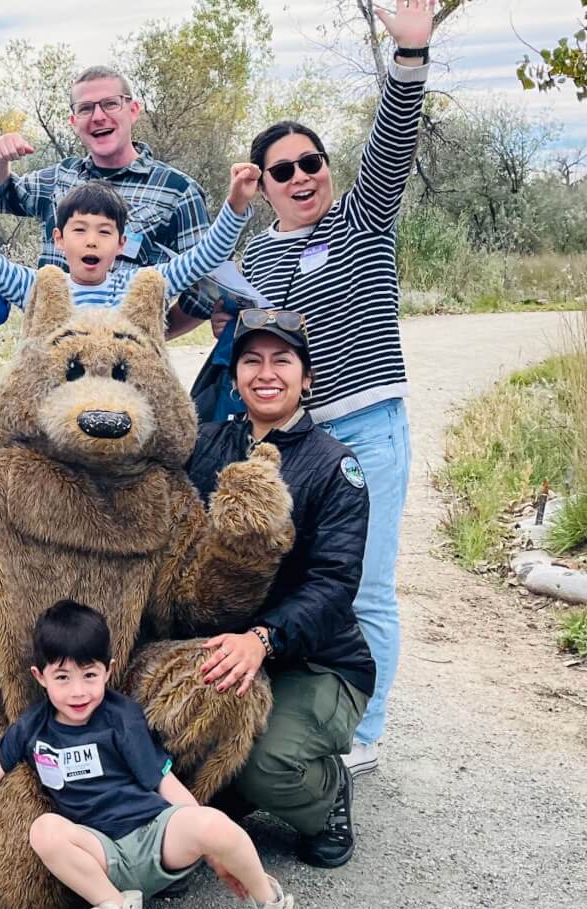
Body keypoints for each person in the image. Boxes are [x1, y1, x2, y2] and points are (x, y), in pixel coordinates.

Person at [223, 0, 434, 776]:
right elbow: (205, 316)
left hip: (369, 428)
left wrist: (409, 53)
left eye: (311, 162)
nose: (301, 176)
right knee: (297, 581)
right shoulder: (258, 261)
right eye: (284, 170)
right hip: (290, 446)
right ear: (266, 184)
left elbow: (393, 144)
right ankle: (297, 707)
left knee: (366, 586)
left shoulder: (362, 219)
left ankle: (364, 733)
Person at [0, 601, 294, 909]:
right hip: (99, 853)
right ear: (39, 677)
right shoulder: (31, 728)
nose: (78, 691)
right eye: (62, 677)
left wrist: (212, 849)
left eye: (89, 675)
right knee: (44, 830)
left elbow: (164, 783)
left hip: (154, 837)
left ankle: (269, 903)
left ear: (108, 670)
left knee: (215, 825)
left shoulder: (121, 716)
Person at [185, 310, 374, 869]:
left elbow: (334, 584)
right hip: (222, 651)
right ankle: (229, 793)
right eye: (251, 361)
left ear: (307, 376)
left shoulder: (334, 467)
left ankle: (326, 794)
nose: (266, 373)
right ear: (236, 376)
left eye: (282, 361)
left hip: (315, 662)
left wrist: (262, 638)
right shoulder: (206, 444)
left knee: (265, 767)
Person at [0, 65, 216, 338]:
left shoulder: (177, 190)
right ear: (74, 121)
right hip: (47, 360)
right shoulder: (58, 178)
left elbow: (206, 288)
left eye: (110, 104)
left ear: (133, 110)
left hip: (125, 372)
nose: (98, 117)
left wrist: (148, 338)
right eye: (86, 108)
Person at [0, 158, 260, 313]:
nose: (91, 240)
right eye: (79, 230)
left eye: (104, 232)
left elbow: (205, 258)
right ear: (59, 238)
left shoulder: (138, 287)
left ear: (121, 244)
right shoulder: (40, 288)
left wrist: (235, 205)